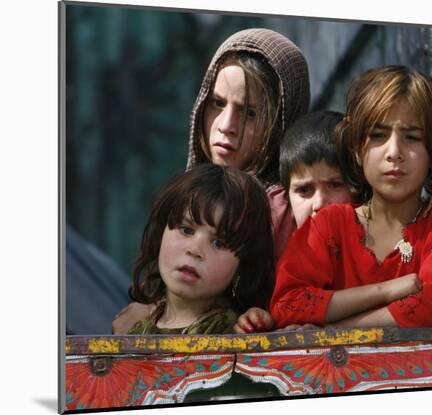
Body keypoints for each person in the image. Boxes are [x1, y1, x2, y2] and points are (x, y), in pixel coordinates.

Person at [112, 28, 310, 334]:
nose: (226, 126)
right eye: (217, 103)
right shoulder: (194, 191)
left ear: (282, 121)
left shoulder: (282, 207)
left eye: (251, 114)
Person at [270, 65, 432, 329]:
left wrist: (334, 331)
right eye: (378, 136)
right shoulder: (327, 227)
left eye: (411, 137)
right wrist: (387, 290)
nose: (394, 152)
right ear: (356, 149)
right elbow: (288, 304)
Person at [234, 110, 357, 333]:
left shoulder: (375, 242)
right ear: (287, 196)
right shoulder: (282, 245)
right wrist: (261, 320)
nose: (319, 203)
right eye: (304, 190)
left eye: (335, 185)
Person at [126, 164, 274, 334]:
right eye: (186, 230)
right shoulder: (135, 333)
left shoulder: (235, 334)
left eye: (219, 243)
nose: (195, 250)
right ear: (161, 235)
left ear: (242, 265)